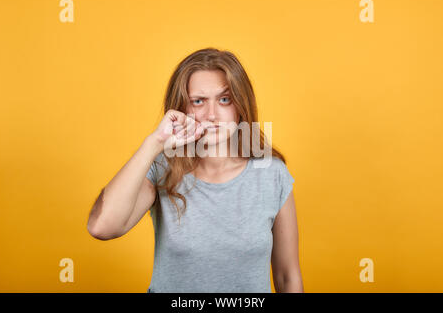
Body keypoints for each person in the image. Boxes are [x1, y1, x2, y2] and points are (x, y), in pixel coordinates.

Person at [87, 48, 303, 293]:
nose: (212, 115)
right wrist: (153, 144)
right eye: (198, 101)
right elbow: (102, 227)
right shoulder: (162, 169)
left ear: (241, 105)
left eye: (224, 99)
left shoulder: (271, 173)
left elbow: (287, 276)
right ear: (181, 109)